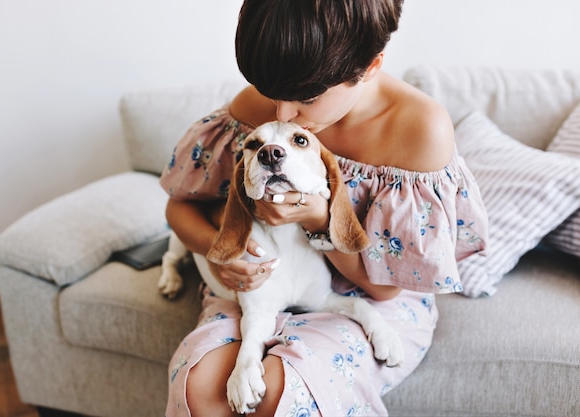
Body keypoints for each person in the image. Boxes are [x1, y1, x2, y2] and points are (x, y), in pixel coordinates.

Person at [160, 0, 488, 415]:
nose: (283, 113)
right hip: (262, 285)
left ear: (370, 66)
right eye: (272, 93)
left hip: (370, 295)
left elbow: (384, 289)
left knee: (282, 392)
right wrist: (220, 250)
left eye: (307, 98)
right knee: (203, 387)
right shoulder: (260, 109)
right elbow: (179, 208)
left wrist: (318, 219)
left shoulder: (419, 129)